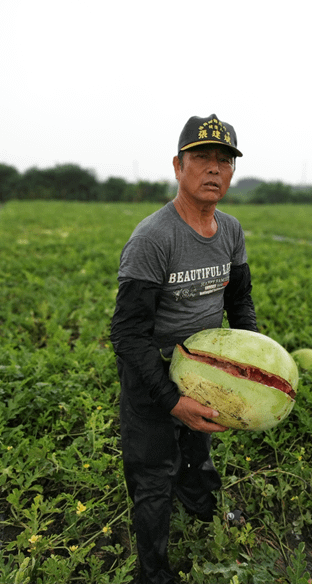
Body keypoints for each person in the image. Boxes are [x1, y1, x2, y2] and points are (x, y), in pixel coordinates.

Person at [110, 113, 258, 584]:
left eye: (224, 161)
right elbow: (127, 334)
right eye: (201, 158)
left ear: (232, 173)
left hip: (205, 372)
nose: (213, 169)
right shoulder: (154, 238)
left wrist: (246, 366)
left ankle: (203, 517)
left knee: (198, 454)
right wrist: (172, 400)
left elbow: (240, 303)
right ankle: (153, 573)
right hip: (151, 374)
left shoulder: (231, 231)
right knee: (153, 476)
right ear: (178, 166)